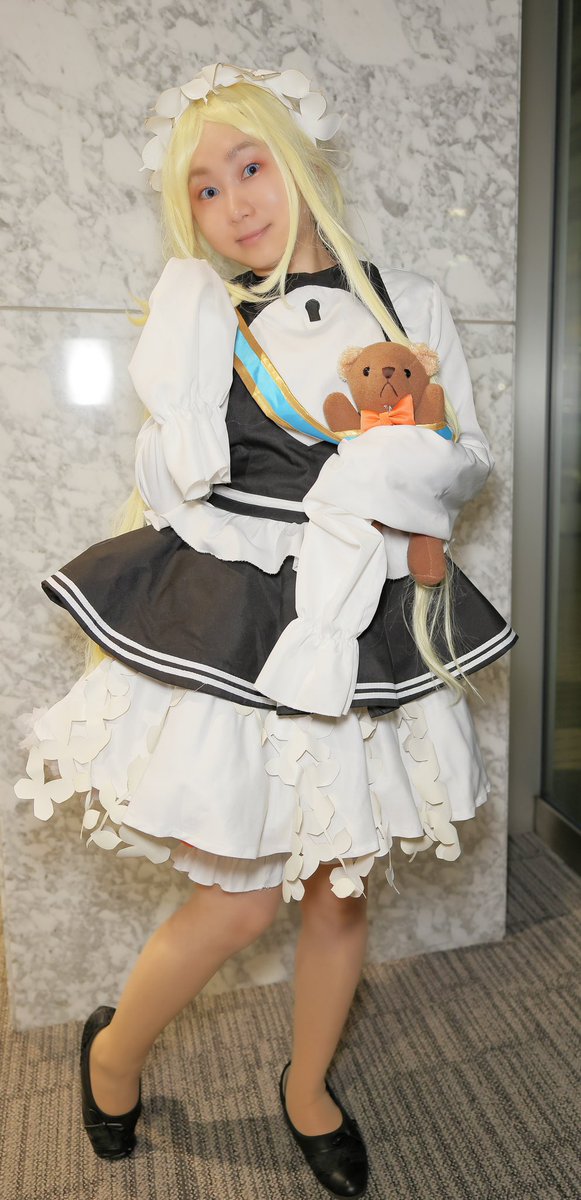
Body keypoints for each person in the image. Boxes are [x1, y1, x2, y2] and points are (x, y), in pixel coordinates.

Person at [15, 62, 517, 1198]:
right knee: (239, 900)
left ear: (298, 161)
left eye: (250, 166)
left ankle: (307, 1091)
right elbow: (181, 482)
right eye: (204, 188)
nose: (234, 202)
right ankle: (112, 1055)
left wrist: (402, 466)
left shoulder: (406, 302)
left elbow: (470, 456)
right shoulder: (203, 318)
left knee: (341, 888)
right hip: (245, 618)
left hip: (364, 609)